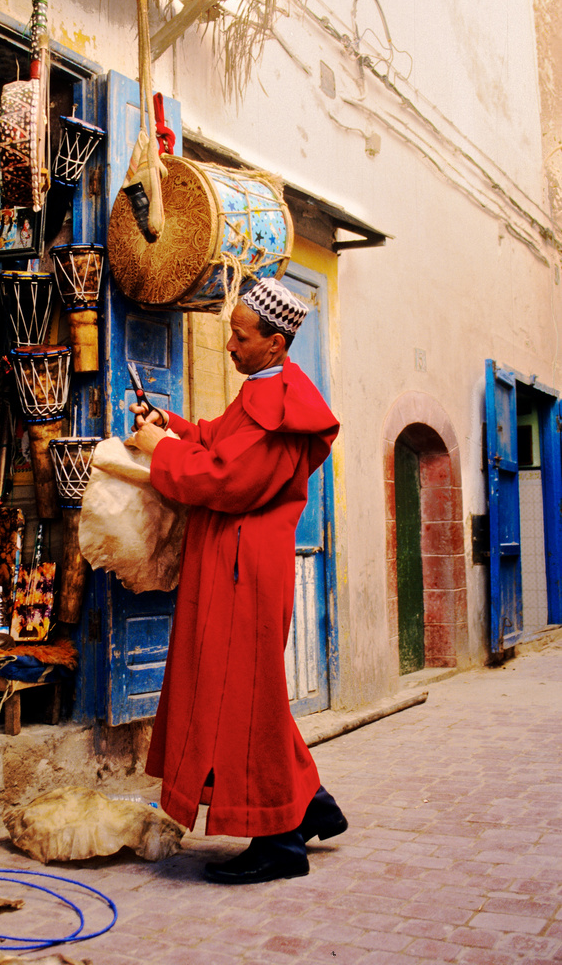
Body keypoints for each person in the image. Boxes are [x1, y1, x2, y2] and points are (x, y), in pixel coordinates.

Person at [129, 277, 348, 885]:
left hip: (242, 570)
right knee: (256, 694)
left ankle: (278, 840)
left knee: (245, 699)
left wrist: (159, 451)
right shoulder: (265, 392)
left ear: (276, 343)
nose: (229, 344)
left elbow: (224, 479)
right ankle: (307, 803)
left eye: (240, 335)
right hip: (236, 563)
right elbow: (217, 441)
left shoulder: (280, 408)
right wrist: (168, 424)